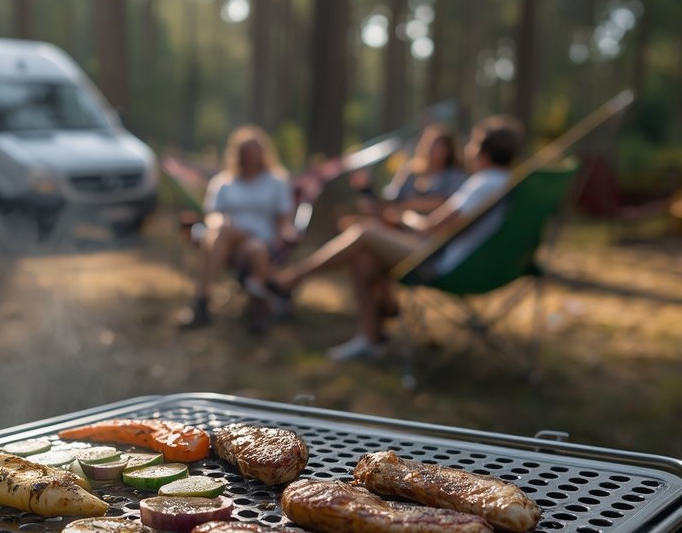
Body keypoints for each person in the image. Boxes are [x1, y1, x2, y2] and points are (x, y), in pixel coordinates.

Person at [270, 116, 523, 361]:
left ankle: (291, 279)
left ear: (483, 152)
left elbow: (431, 227)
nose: (468, 149)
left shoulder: (482, 184)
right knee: (363, 258)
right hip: (464, 260)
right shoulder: (507, 183)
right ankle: (372, 338)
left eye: (473, 143)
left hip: (445, 262)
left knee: (364, 232)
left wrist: (402, 217)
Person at [178, 125, 296, 329]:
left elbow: (284, 219)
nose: (252, 155)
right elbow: (212, 215)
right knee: (221, 234)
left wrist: (285, 236)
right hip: (227, 242)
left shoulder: (277, 181)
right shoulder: (223, 182)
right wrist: (219, 223)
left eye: (256, 150)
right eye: (247, 150)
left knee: (256, 249)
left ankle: (203, 303)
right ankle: (256, 307)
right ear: (237, 153)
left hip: (262, 239)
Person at [379, 123, 466, 211]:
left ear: (448, 150)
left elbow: (452, 203)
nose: (432, 149)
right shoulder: (409, 170)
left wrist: (411, 205)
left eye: (438, 146)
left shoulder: (454, 176)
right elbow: (392, 197)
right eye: (429, 144)